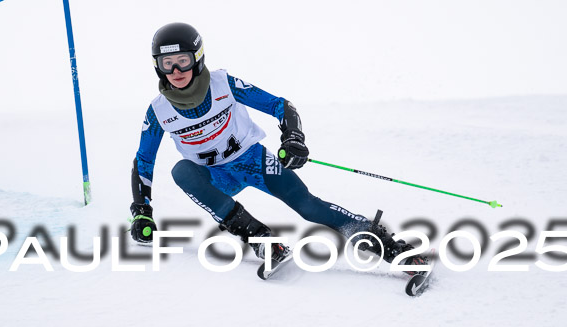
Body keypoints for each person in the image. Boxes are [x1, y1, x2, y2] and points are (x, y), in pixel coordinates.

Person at [129, 22, 424, 272]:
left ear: (198, 58)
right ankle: (261, 240)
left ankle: (389, 246)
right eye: (167, 63)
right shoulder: (158, 112)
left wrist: (292, 137)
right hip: (214, 179)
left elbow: (280, 106)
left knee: (308, 206)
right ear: (157, 66)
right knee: (182, 170)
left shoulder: (224, 85)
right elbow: (144, 160)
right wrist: (142, 209)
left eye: (183, 60)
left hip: (251, 161)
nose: (176, 69)